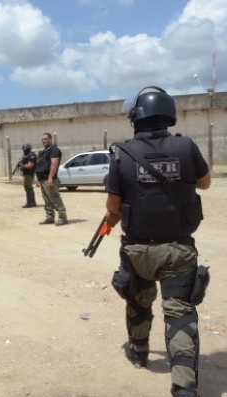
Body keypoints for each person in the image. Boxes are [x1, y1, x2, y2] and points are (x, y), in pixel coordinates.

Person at [105, 86, 211, 397]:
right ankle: (184, 387)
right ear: (167, 115)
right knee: (179, 311)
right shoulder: (186, 147)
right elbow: (204, 184)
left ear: (136, 118)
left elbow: (113, 208)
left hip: (138, 249)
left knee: (139, 300)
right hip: (178, 249)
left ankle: (139, 352)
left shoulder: (122, 153)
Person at [35, 133, 68, 226]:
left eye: (45, 139)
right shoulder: (44, 151)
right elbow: (41, 165)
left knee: (55, 198)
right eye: (42, 139)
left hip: (50, 180)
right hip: (43, 180)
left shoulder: (54, 150)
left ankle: (63, 218)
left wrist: (50, 177)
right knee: (47, 200)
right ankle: (49, 218)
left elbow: (54, 163)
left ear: (50, 139)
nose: (43, 141)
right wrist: (38, 179)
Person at [19, 143, 37, 208]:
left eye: (24, 149)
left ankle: (30, 203)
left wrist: (22, 166)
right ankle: (32, 202)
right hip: (27, 173)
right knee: (29, 187)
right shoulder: (27, 155)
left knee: (28, 187)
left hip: (29, 173)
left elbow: (30, 165)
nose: (23, 151)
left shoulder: (31, 155)